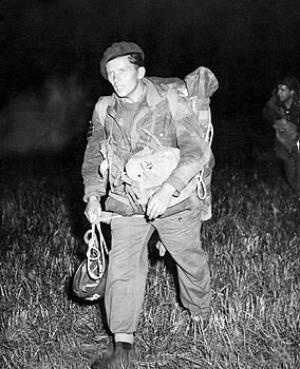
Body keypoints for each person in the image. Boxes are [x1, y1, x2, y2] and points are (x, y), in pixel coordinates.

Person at [81, 41, 213, 369]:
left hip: (174, 201)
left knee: (189, 261)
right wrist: (94, 195)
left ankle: (199, 317)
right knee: (122, 269)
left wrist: (169, 189)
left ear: (140, 71)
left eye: (122, 70)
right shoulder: (103, 109)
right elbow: (94, 152)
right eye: (110, 73)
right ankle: (123, 346)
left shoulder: (170, 100)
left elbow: (197, 151)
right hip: (126, 201)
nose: (116, 78)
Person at [263, 75, 300, 194]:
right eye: (278, 89)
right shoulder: (275, 103)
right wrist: (278, 120)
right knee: (290, 174)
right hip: (284, 142)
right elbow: (267, 113)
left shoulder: (298, 105)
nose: (279, 93)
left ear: (292, 92)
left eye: (283, 90)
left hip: (297, 142)